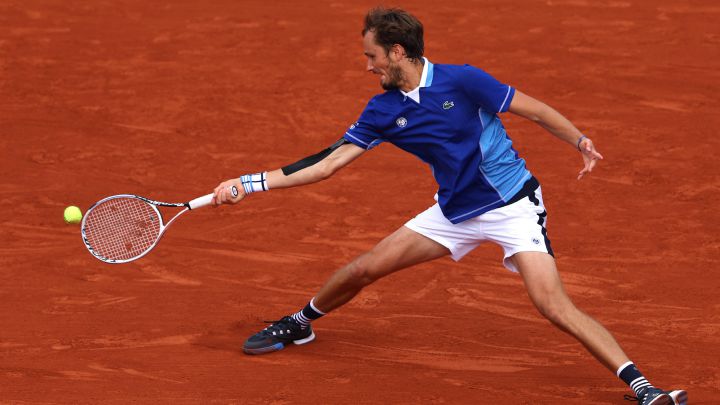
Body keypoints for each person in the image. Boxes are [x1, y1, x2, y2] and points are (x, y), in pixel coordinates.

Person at [211, 7, 686, 405]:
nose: (368, 66)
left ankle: (643, 388)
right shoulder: (383, 109)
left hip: (513, 207)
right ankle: (300, 324)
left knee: (551, 304)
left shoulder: (463, 81)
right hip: (453, 211)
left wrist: (579, 140)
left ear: (398, 52)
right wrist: (249, 184)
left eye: (372, 56)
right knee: (363, 270)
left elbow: (535, 110)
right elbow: (326, 164)